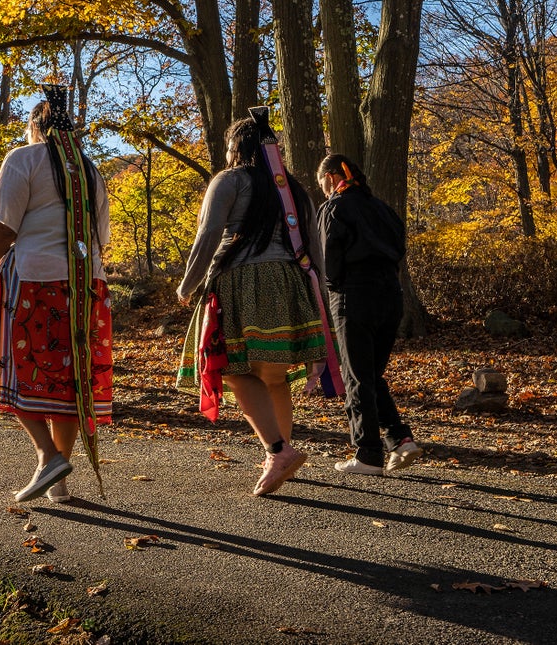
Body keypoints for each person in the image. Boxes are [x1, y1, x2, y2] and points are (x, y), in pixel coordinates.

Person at [0, 86, 113, 504]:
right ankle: (58, 480)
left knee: (13, 368)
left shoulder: (24, 159)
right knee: (67, 382)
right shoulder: (91, 170)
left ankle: (48, 455)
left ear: (35, 126)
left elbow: (6, 227)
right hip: (88, 285)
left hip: (35, 280)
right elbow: (100, 238)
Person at [176, 115, 330, 496]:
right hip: (290, 283)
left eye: (229, 147)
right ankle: (279, 455)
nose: (226, 154)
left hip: (242, 282)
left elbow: (209, 234)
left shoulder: (228, 181)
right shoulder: (294, 189)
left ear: (238, 148)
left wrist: (188, 283)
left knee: (230, 366)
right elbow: (312, 247)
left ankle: (278, 449)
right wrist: (320, 299)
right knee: (273, 377)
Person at [316, 153, 421, 475]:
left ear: (332, 177)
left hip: (354, 297)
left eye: (322, 182)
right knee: (371, 375)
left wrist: (333, 289)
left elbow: (328, 259)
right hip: (391, 297)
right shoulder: (383, 209)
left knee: (356, 376)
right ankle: (400, 439)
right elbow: (400, 248)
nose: (322, 189)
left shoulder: (334, 208)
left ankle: (367, 453)